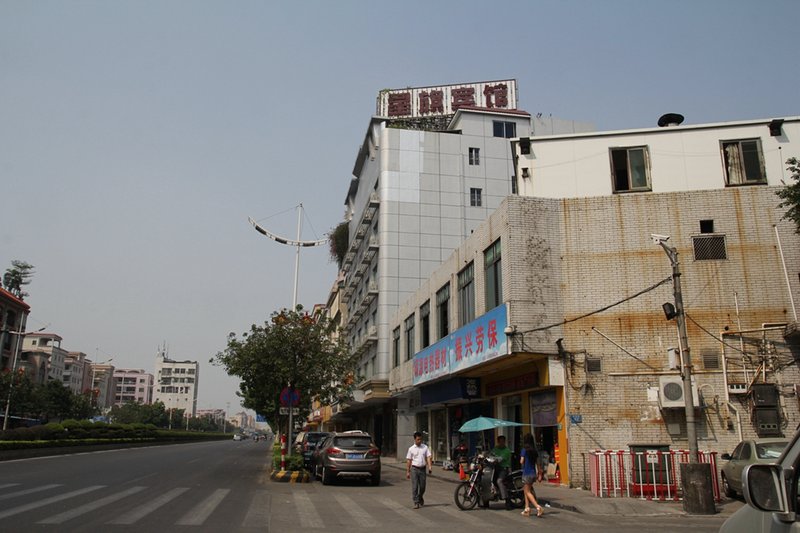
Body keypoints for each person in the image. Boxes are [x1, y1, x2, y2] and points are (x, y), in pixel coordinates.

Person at [406, 431, 432, 509]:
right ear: (414, 439)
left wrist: (430, 467)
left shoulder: (425, 447)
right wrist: (408, 471)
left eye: (420, 439)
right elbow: (409, 460)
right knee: (415, 486)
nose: (419, 441)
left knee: (423, 486)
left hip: (422, 469)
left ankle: (420, 497)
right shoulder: (411, 449)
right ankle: (416, 502)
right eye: (418, 439)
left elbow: (428, 457)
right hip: (414, 469)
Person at [520, 433, 543, 517]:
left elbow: (521, 461)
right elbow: (538, 464)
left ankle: (538, 507)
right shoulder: (534, 451)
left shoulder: (524, 450)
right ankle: (527, 508)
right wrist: (540, 474)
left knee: (527, 491)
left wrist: (523, 459)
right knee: (526, 490)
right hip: (533, 473)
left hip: (526, 473)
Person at [491, 435, 513, 509]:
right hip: (496, 468)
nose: (501, 443)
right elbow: (491, 454)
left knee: (499, 481)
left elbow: (500, 459)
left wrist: (496, 459)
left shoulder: (507, 451)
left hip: (504, 469)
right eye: (499, 442)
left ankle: (506, 499)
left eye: (502, 442)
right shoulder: (495, 449)